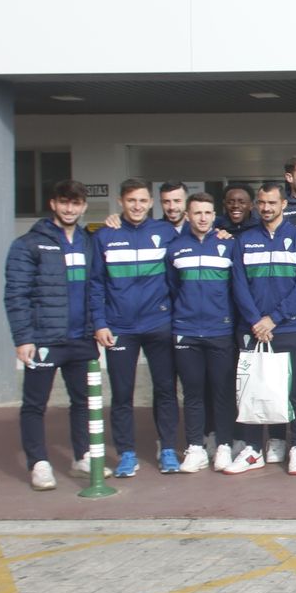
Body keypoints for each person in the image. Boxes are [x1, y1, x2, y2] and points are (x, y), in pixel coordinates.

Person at [5, 180, 98, 490]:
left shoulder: (88, 242)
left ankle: (81, 457)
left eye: (76, 203)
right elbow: (16, 294)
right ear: (53, 204)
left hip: (81, 339)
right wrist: (23, 338)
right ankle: (39, 464)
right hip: (44, 340)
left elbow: (96, 288)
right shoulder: (29, 243)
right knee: (35, 404)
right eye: (64, 202)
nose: (70, 208)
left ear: (84, 206)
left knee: (82, 402)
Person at [89, 178, 181, 477]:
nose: (138, 206)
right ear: (120, 202)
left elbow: (177, 276)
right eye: (131, 201)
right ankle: (127, 453)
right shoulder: (105, 235)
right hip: (120, 327)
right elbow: (96, 284)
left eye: (143, 200)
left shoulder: (165, 232)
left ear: (151, 202)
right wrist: (100, 322)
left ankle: (167, 448)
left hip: (159, 324)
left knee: (166, 390)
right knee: (122, 393)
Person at [226, 182, 296, 474]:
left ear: (283, 205)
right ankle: (253, 449)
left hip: (288, 327)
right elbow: (238, 284)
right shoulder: (244, 240)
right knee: (253, 389)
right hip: (252, 328)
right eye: (262, 203)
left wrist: (274, 318)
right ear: (255, 205)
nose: (266, 208)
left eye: (272, 203)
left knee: (295, 391)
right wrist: (256, 320)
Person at [168, 192, 236, 473]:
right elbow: (173, 288)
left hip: (220, 330)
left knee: (222, 392)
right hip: (186, 332)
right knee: (193, 393)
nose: (203, 218)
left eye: (208, 213)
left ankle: (223, 446)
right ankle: (196, 447)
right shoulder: (175, 248)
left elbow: (235, 288)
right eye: (197, 213)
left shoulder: (228, 245)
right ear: (187, 216)